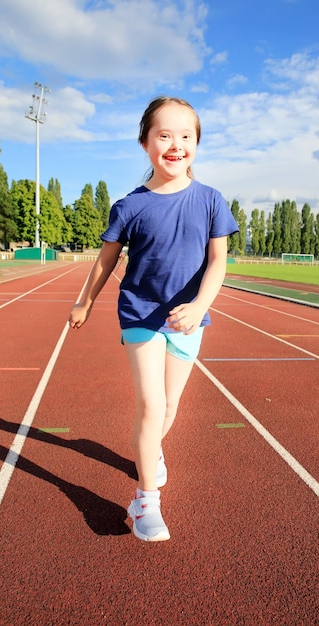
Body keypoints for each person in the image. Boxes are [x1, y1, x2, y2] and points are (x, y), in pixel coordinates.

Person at [68, 96, 239, 542]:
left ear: (196, 143)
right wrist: (85, 301)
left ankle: (151, 452)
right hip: (141, 314)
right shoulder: (129, 206)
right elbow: (105, 262)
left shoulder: (211, 200)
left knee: (171, 406)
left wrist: (201, 306)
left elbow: (218, 262)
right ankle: (145, 501)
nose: (176, 144)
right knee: (153, 405)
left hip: (187, 319)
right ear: (146, 142)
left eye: (186, 135)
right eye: (164, 134)